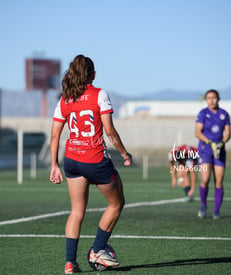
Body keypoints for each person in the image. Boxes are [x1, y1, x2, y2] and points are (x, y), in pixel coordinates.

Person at [49, 55, 132, 274]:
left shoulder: (64, 99)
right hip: (94, 159)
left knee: (76, 211)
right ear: (93, 75)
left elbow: (55, 135)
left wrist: (54, 165)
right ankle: (97, 249)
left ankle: (70, 263)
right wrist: (124, 153)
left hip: (72, 161)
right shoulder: (99, 94)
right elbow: (109, 130)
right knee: (116, 203)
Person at [195, 89, 231, 219]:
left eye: (214, 97)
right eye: (209, 98)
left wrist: (221, 143)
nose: (211, 100)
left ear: (218, 99)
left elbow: (228, 133)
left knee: (219, 181)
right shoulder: (203, 114)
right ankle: (203, 205)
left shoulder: (224, 114)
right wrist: (210, 142)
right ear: (206, 100)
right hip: (205, 150)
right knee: (205, 179)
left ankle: (216, 210)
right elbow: (197, 132)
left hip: (219, 151)